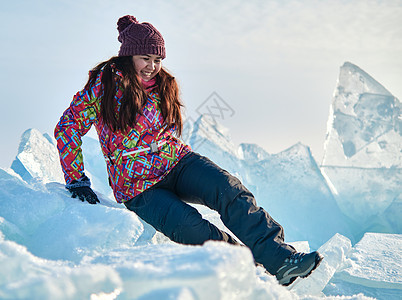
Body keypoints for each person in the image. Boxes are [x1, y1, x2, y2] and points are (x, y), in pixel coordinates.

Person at [54, 15, 322, 286]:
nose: (152, 67)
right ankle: (250, 269)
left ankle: (281, 259)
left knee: (228, 189)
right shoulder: (105, 85)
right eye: (145, 58)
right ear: (129, 56)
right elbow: (68, 127)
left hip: (176, 162)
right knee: (190, 228)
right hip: (138, 185)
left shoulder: (165, 85)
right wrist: (76, 179)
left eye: (157, 60)